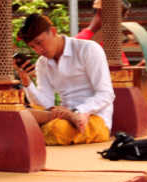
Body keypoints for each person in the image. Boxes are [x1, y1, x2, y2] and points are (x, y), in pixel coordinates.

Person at [17, 13, 114, 146]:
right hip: (62, 115)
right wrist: (27, 82)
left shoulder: (88, 49)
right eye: (33, 47)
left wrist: (79, 111)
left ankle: (37, 130)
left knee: (57, 129)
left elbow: (106, 94)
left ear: (53, 31)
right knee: (22, 114)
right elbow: (46, 102)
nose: (38, 50)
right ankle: (56, 120)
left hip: (93, 117)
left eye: (39, 43)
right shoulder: (42, 63)